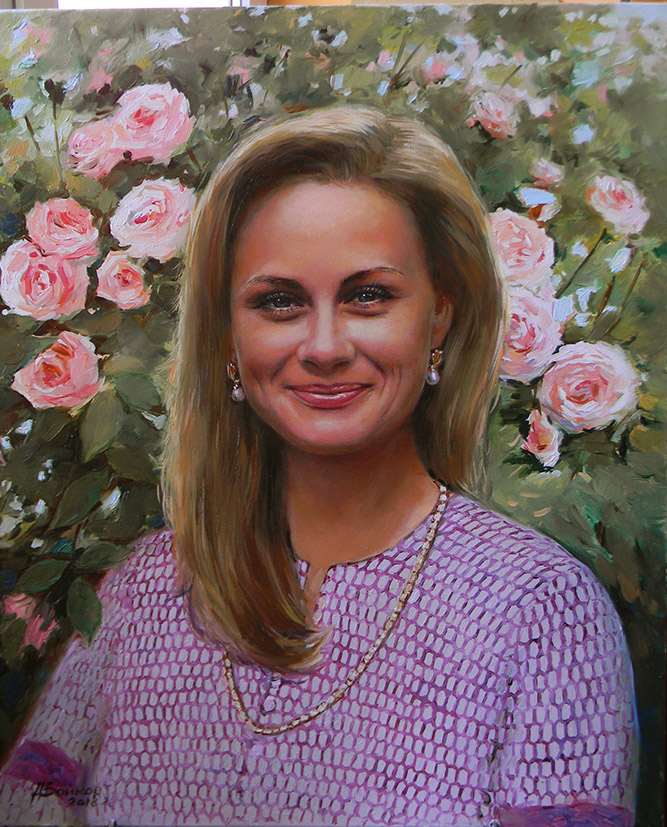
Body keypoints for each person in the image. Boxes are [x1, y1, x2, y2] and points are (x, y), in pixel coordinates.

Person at [0, 106, 637, 827]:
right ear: (227, 332)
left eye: (369, 295)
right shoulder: (142, 592)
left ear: (440, 315)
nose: (325, 347)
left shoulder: (542, 610)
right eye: (279, 302)